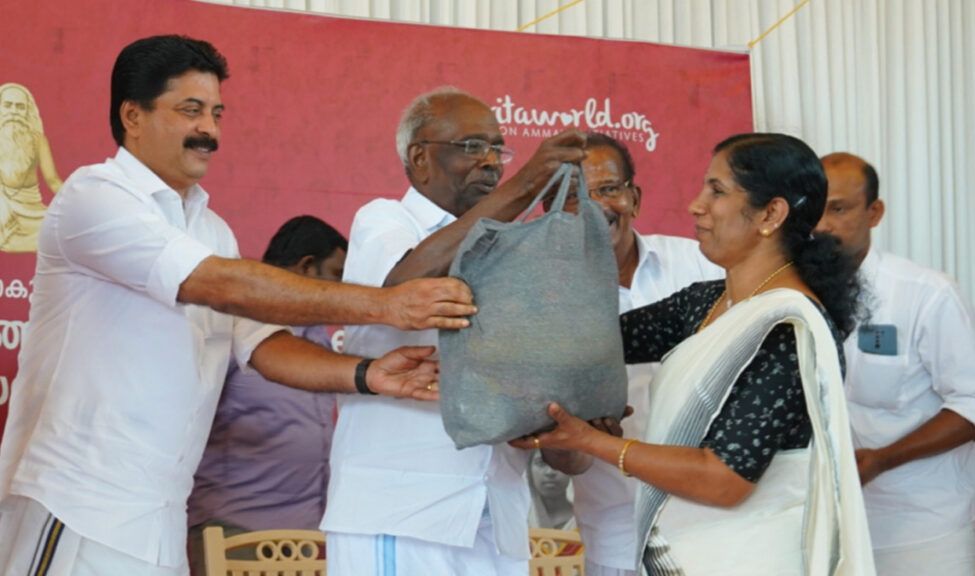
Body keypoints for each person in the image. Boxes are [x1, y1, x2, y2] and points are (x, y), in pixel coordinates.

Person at [0, 35, 475, 576]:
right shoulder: (93, 196)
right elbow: (214, 283)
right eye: (190, 111)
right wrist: (388, 306)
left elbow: (265, 347)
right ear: (133, 115)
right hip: (76, 508)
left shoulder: (212, 229)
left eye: (216, 113)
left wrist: (367, 374)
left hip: (158, 524)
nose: (209, 130)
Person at [514, 133, 875, 575]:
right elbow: (588, 344)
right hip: (682, 552)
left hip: (752, 559)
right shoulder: (705, 302)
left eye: (717, 191)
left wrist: (593, 441)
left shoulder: (787, 329)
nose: (696, 205)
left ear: (771, 214)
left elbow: (723, 479)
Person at [323, 86, 586, 576]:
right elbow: (404, 287)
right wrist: (524, 188)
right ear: (420, 158)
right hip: (403, 512)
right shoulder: (385, 220)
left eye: (497, 149)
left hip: (496, 514)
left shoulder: (518, 246)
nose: (491, 162)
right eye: (472, 147)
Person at [814, 152, 975, 576]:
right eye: (815, 210)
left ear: (874, 213)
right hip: (826, 524)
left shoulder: (927, 293)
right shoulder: (793, 295)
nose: (821, 226)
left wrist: (883, 458)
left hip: (922, 526)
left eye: (838, 209)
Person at [558, 132, 720, 576]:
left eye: (609, 189)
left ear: (635, 197)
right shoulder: (548, 301)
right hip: (619, 538)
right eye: (575, 195)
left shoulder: (703, 268)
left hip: (720, 528)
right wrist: (576, 432)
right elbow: (562, 457)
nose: (596, 207)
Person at [187, 215, 349, 575]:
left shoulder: (319, 338)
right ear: (307, 266)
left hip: (308, 541)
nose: (344, 291)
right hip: (234, 533)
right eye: (337, 275)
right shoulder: (230, 326)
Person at [0, 82, 63, 252]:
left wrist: (76, 202)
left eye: (20, 107)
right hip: (4, 213)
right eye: (8, 106)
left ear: (27, 112)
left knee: (65, 227)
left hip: (32, 211)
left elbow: (53, 180)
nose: (13, 112)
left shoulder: (38, 141)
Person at [526, 450, 575, 531]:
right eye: (540, 463)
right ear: (529, 470)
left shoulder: (584, 520)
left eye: (559, 463)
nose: (550, 472)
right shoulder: (518, 519)